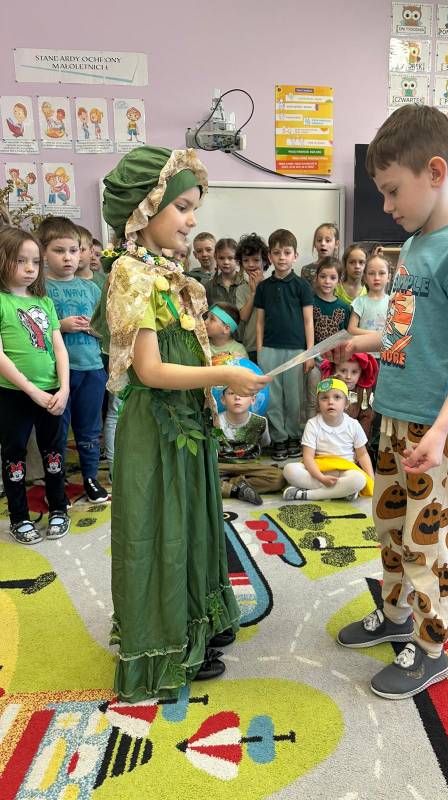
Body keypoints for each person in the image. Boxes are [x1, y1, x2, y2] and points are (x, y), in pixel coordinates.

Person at [335, 105, 448, 699]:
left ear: (434, 172)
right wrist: (363, 341)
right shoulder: (411, 246)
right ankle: (397, 616)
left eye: (392, 190)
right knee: (392, 530)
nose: (386, 205)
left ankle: (430, 649)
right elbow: (402, 334)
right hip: (394, 418)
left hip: (434, 428)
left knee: (431, 542)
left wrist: (441, 428)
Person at [101, 145, 270, 702]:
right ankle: (165, 643)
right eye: (183, 207)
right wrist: (223, 376)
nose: (193, 219)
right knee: (162, 529)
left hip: (187, 421)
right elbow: (149, 370)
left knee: (193, 519)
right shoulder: (130, 274)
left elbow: (185, 353)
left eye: (195, 207)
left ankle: (197, 620)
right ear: (146, 208)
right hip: (156, 427)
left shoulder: (168, 271)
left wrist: (219, 370)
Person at [0, 228, 70, 544]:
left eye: (36, 262)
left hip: (53, 392)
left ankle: (59, 509)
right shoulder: (2, 301)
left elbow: (59, 348)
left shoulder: (44, 301)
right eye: (20, 261)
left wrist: (64, 388)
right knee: (14, 455)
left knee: (54, 452)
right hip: (13, 394)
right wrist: (32, 390)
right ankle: (19, 518)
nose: (30, 268)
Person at [39, 216, 110, 504]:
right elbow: (32, 331)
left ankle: (91, 477)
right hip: (56, 373)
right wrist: (61, 326)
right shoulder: (40, 288)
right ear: (44, 253)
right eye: (59, 251)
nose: (68, 257)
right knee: (56, 431)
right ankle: (55, 485)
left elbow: (107, 328)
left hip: (92, 367)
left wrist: (94, 329)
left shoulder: (92, 289)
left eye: (74, 250)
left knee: (90, 428)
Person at [255, 229, 314, 461]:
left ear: (295, 255)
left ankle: (293, 436)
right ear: (270, 256)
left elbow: (308, 321)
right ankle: (279, 439)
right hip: (269, 350)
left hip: (296, 350)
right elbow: (259, 322)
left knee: (294, 397)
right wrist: (260, 351)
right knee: (273, 398)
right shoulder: (263, 287)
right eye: (277, 253)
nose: (282, 257)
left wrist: (310, 353)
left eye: (287, 252)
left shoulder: (302, 286)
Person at [283, 377, 374, 501]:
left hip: (345, 470)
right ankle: (340, 491)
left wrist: (371, 479)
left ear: (346, 404)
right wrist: (321, 478)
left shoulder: (353, 425)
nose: (330, 402)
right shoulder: (312, 424)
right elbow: (308, 457)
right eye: (324, 398)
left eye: (337, 397)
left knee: (359, 480)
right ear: (318, 404)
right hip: (318, 469)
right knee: (289, 470)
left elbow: (362, 454)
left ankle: (307, 494)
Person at [217, 386, 284, 505]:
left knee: (278, 478)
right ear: (223, 399)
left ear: (252, 399)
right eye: (231, 393)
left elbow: (264, 442)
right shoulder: (215, 422)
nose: (237, 397)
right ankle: (237, 490)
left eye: (243, 394)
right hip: (222, 465)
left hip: (249, 466)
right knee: (196, 478)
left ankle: (228, 485)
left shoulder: (260, 422)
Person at [305, 257, 350, 418]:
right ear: (316, 277)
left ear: (339, 281)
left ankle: (334, 429)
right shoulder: (309, 302)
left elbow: (347, 336)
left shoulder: (344, 307)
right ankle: (310, 430)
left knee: (335, 399)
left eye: (332, 277)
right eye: (323, 276)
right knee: (313, 400)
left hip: (335, 362)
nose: (327, 281)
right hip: (315, 360)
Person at [320, 352, 379, 439]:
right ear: (334, 370)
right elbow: (321, 413)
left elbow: (366, 417)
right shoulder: (328, 388)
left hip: (354, 438)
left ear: (361, 372)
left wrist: (359, 442)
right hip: (329, 437)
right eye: (343, 371)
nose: (348, 376)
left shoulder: (364, 391)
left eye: (354, 372)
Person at [348, 254, 391, 357]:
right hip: (365, 356)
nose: (376, 278)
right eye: (371, 273)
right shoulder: (359, 302)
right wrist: (377, 335)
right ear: (365, 278)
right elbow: (351, 329)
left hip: (386, 355)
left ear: (389, 277)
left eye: (381, 273)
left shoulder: (393, 302)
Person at [236, 232, 269, 363]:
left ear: (265, 261)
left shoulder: (272, 286)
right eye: (246, 260)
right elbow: (243, 317)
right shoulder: (241, 289)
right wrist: (254, 293)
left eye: (256, 260)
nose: (250, 264)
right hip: (250, 346)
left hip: (270, 345)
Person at [206, 238, 247, 308]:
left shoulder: (246, 283)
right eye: (221, 258)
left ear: (238, 259)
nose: (226, 262)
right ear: (215, 258)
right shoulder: (209, 286)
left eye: (230, 258)